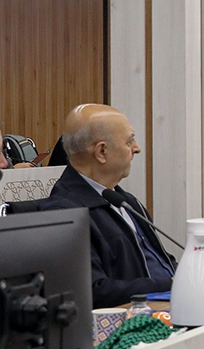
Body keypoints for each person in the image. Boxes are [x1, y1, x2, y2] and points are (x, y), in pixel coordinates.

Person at [40, 104, 176, 306]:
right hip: (133, 318)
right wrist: (171, 284)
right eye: (129, 141)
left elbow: (161, 261)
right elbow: (94, 291)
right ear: (102, 152)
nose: (137, 148)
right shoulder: (64, 213)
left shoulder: (126, 201)